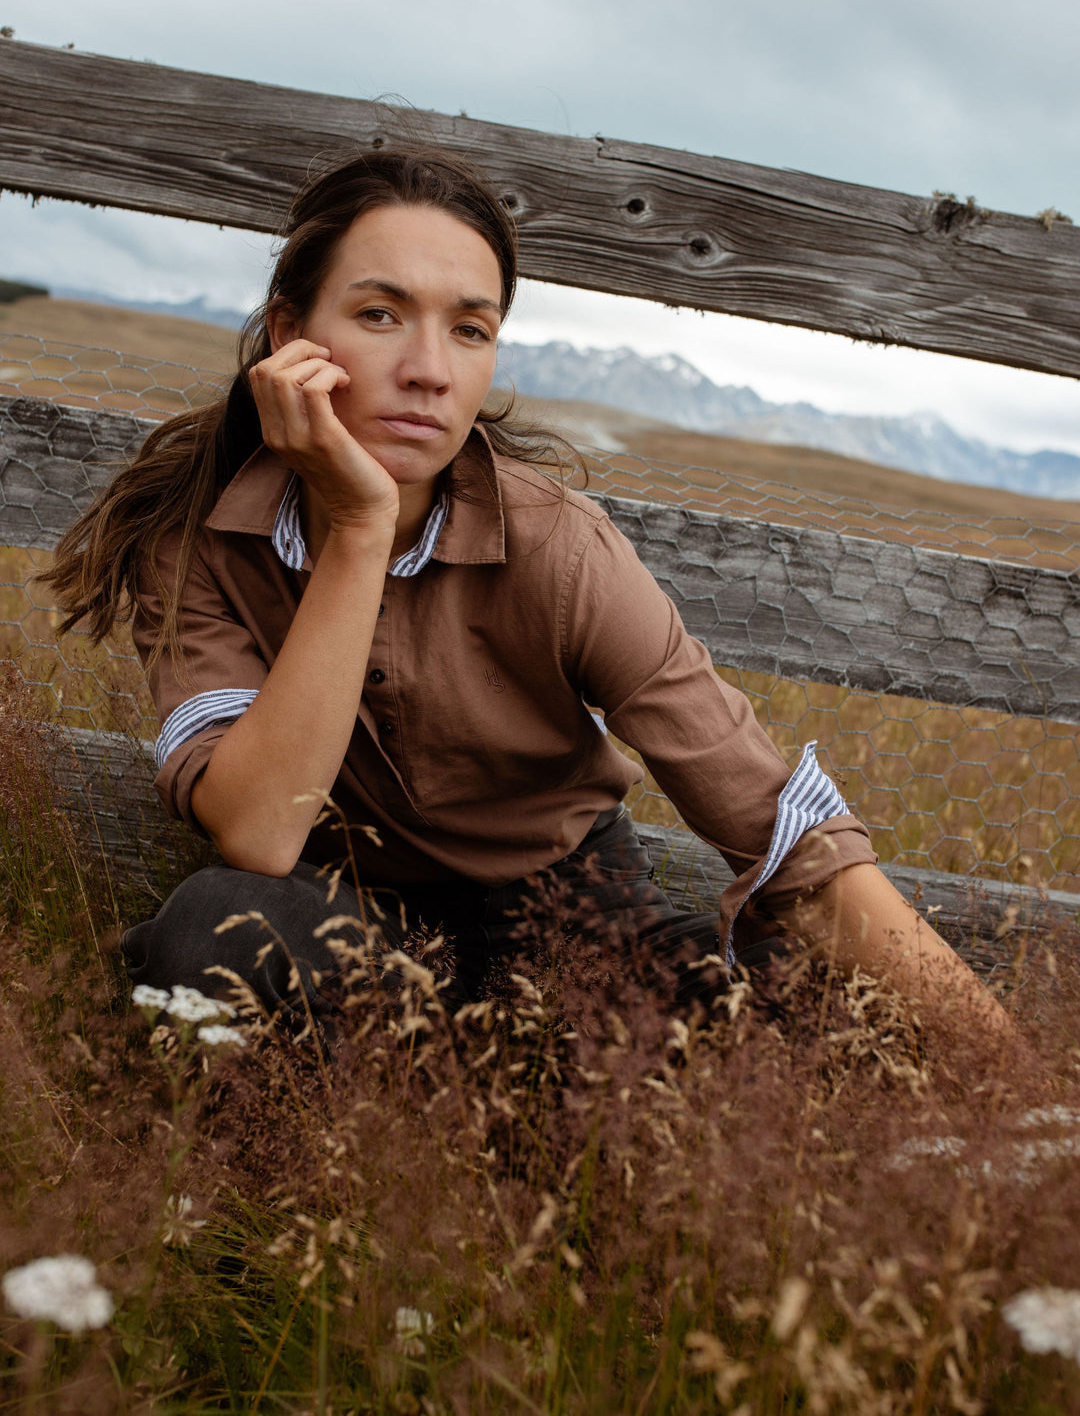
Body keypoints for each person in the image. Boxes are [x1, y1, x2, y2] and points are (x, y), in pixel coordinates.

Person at [43, 149, 1012, 1046]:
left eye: (470, 328)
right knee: (219, 929)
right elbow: (257, 828)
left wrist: (1015, 1084)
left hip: (574, 928)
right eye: (381, 314)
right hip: (347, 924)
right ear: (292, 333)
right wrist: (358, 530)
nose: (428, 367)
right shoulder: (198, 543)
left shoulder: (558, 544)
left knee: (817, 1008)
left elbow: (778, 827)